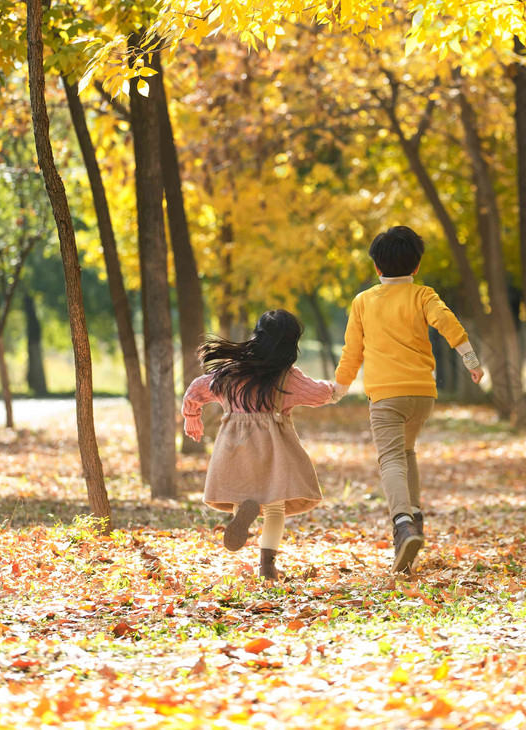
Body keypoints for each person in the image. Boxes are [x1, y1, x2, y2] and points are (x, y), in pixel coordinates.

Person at [334, 226, 484, 573]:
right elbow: (447, 322)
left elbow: (352, 352)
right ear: (416, 267)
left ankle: (402, 525)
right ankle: (415, 517)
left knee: (390, 459)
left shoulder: (363, 302)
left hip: (386, 396)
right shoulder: (423, 295)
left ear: (376, 268)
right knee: (406, 451)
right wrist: (471, 361)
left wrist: (339, 388)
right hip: (421, 394)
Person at [182, 309, 341, 581]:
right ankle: (267, 565)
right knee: (275, 507)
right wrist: (338, 387)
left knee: (242, 494)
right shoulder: (287, 377)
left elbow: (196, 389)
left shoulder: (229, 373)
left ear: (257, 336)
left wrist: (191, 417)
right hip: (273, 447)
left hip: (235, 446)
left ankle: (241, 515)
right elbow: (320, 394)